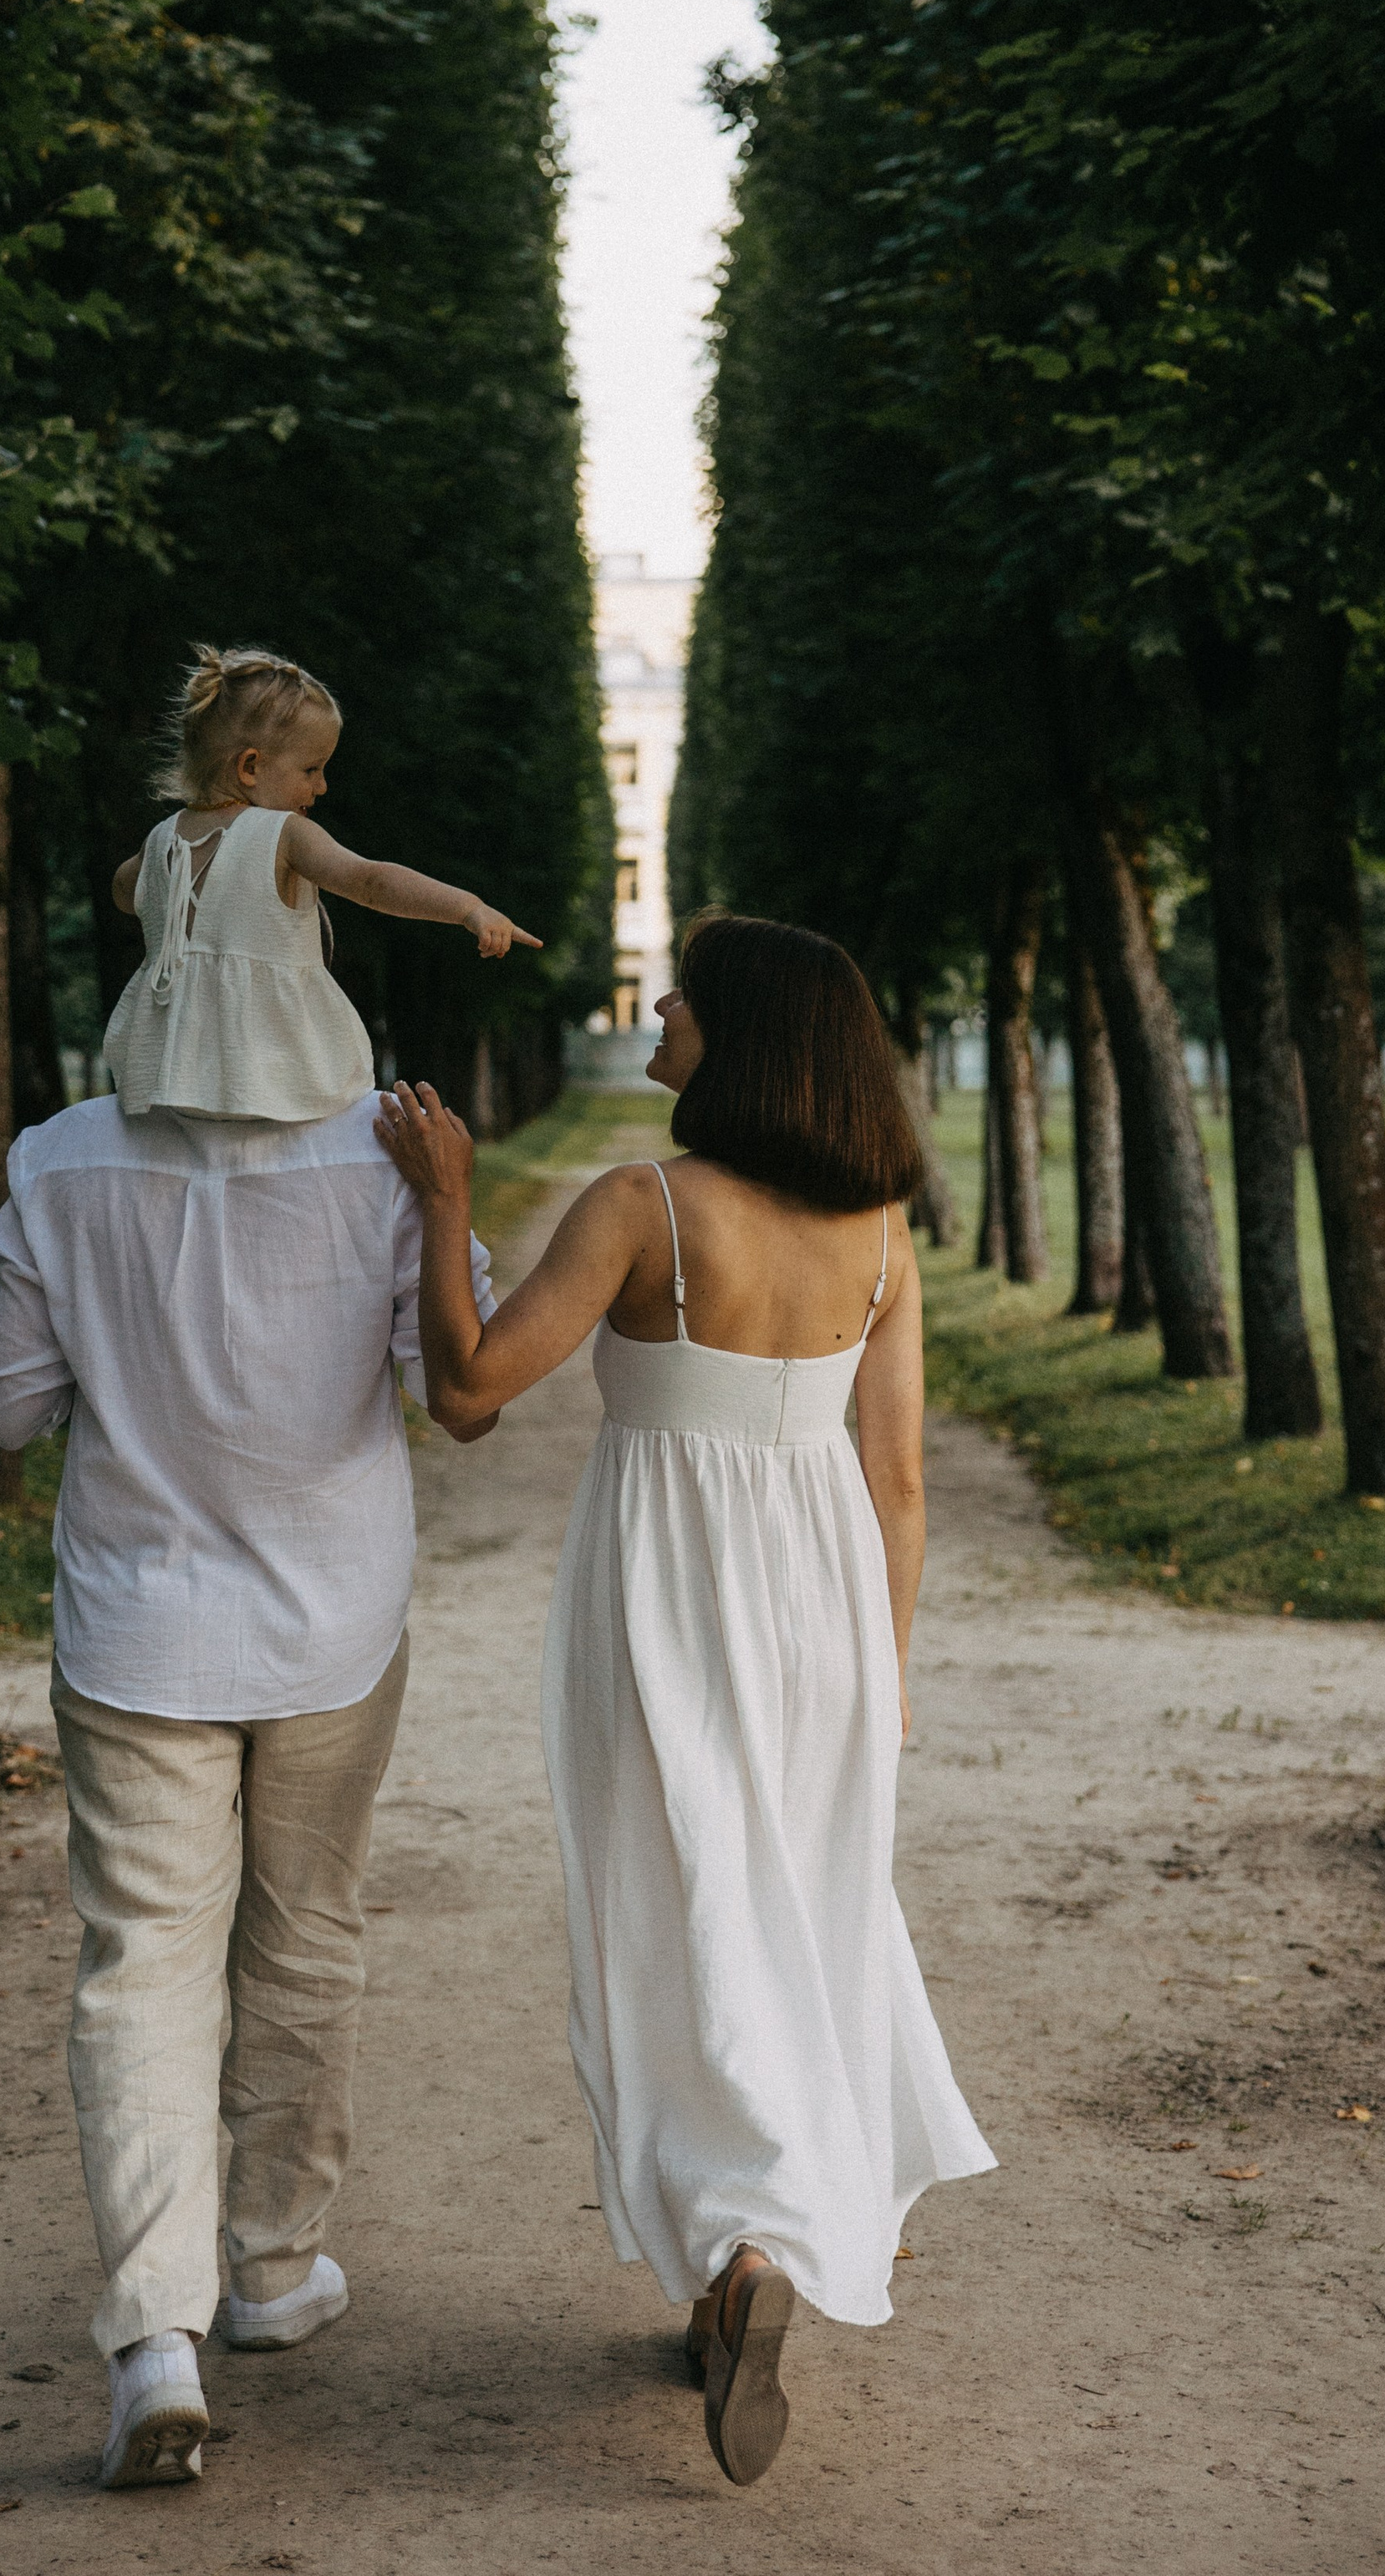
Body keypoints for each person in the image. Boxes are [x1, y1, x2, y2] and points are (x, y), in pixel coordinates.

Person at [375, 912, 995, 2490]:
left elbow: (465, 1390)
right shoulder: (881, 1234)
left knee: (670, 1916)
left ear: (746, 1037)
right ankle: (753, 2245)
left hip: (664, 1600)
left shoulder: (645, 1206)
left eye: (683, 997)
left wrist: (445, 1204)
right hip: (833, 1613)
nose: (657, 1008)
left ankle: (740, 2249)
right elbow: (902, 1482)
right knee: (794, 1917)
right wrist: (892, 1675)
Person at [0, 1067, 497, 2487]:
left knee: (141, 1962)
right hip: (333, 1619)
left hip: (138, 1629)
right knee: (306, 1931)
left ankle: (153, 2338)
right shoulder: (382, 1150)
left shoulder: (61, 1159)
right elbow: (455, 1354)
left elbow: (6, 1410)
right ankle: (271, 2268)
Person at [103, 643, 540, 1125]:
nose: (323, 786)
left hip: (173, 1068)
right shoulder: (284, 834)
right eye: (311, 769)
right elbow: (369, 879)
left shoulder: (160, 839)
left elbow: (126, 893)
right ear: (250, 767)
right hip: (268, 1067)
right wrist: (467, 907)